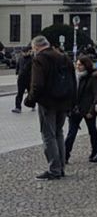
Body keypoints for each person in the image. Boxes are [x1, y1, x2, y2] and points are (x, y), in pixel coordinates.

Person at [25, 36, 74, 180]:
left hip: (48, 102)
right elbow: (73, 81)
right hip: (64, 101)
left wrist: (30, 100)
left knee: (48, 135)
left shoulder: (40, 59)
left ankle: (54, 169)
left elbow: (37, 84)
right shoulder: (64, 57)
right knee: (59, 133)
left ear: (36, 47)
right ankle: (61, 168)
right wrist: (72, 101)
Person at [64, 56, 97, 163]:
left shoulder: (93, 77)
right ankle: (65, 155)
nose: (77, 66)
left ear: (86, 65)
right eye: (77, 64)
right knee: (71, 132)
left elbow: (96, 94)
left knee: (92, 131)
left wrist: (91, 111)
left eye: (80, 64)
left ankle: (96, 151)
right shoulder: (74, 76)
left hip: (87, 108)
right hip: (74, 109)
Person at [11, 46, 32, 113]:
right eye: (23, 52)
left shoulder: (32, 59)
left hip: (29, 79)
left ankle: (32, 104)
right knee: (19, 93)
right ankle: (18, 107)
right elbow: (18, 65)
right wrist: (17, 72)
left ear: (29, 52)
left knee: (30, 93)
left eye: (26, 52)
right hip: (21, 78)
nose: (25, 54)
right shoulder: (21, 58)